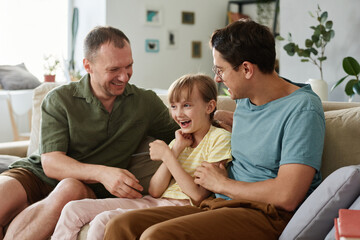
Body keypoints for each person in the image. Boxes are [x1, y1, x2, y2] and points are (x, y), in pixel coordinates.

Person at [102, 19, 326, 240]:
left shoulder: (302, 109)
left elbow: (287, 196)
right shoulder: (247, 100)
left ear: (247, 69)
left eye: (221, 70)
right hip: (218, 204)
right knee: (122, 225)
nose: (217, 78)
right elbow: (262, 130)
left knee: (157, 236)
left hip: (265, 212)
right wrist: (224, 119)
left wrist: (223, 184)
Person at [0, 26, 179, 240]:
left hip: (80, 186)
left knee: (69, 188)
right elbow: (51, 163)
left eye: (129, 66)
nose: (124, 76)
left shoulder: (145, 103)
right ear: (88, 65)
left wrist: (216, 119)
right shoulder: (59, 99)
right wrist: (104, 173)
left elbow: (185, 130)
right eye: (113, 70)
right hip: (36, 174)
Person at [51, 73, 232, 240]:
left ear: (210, 106)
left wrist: (168, 156)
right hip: (157, 201)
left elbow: (198, 195)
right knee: (73, 209)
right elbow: (155, 190)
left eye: (187, 105)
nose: (178, 114)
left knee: (103, 220)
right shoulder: (179, 141)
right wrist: (175, 149)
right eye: (174, 106)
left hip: (184, 206)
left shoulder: (219, 138)